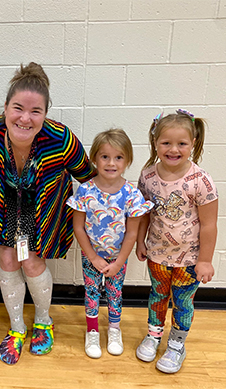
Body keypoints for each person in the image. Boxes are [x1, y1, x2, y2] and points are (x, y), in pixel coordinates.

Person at [0, 62, 95, 365]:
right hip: (7, 208)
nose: (25, 118)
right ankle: (17, 329)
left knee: (31, 261)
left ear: (45, 112)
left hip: (43, 211)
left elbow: (89, 178)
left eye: (35, 111)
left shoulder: (61, 139)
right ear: (5, 107)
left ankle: (43, 321)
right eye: (18, 108)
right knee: (7, 258)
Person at [135, 109, 218, 374]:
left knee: (182, 302)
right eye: (166, 143)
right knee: (157, 297)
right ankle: (154, 335)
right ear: (155, 142)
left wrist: (205, 260)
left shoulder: (201, 181)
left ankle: (177, 344)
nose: (173, 149)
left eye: (181, 143)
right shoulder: (147, 177)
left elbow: (209, 224)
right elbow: (143, 215)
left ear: (193, 142)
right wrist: (140, 242)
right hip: (157, 256)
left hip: (189, 260)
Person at [67, 129, 153, 359]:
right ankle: (92, 331)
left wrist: (119, 262)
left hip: (118, 258)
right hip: (91, 255)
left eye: (118, 157)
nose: (111, 163)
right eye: (105, 156)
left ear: (127, 161)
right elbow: (78, 227)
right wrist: (93, 257)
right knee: (92, 292)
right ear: (94, 158)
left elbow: (132, 233)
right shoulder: (85, 190)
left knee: (115, 293)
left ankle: (114, 330)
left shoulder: (132, 194)